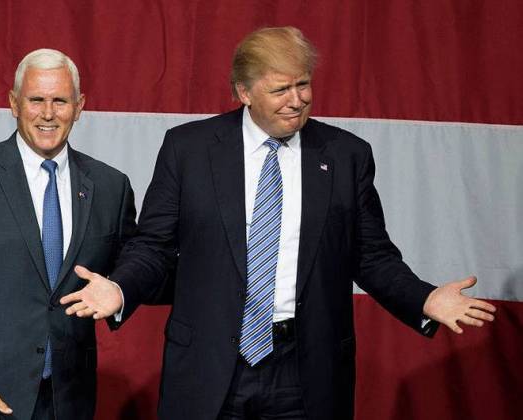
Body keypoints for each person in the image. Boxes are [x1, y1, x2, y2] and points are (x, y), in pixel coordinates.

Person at [60, 27, 496, 419]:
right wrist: (119, 288)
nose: (297, 99)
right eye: (281, 89)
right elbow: (153, 245)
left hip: (305, 369)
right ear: (244, 92)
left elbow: (371, 256)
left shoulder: (346, 156)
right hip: (210, 364)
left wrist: (424, 299)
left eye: (303, 84)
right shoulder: (188, 149)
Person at [0, 48, 136, 420]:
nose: (48, 113)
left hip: (70, 398)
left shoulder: (110, 186)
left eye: (60, 101)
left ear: (79, 106)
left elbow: (132, 268)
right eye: (36, 100)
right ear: (14, 103)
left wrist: (121, 290)